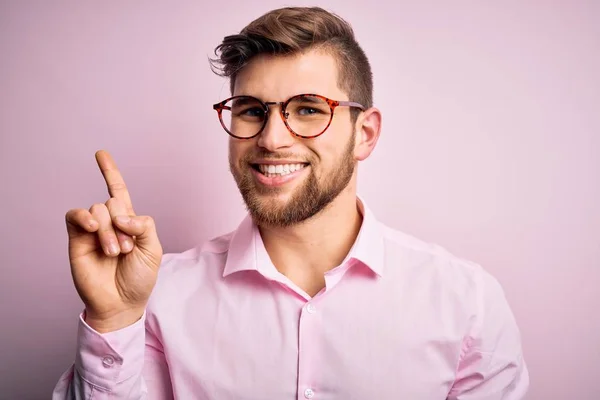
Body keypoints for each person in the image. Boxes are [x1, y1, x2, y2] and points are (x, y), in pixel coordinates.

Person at [53, 6, 528, 399]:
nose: (273, 138)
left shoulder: (466, 304)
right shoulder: (158, 298)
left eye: (307, 109)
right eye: (252, 111)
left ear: (364, 133)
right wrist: (113, 320)